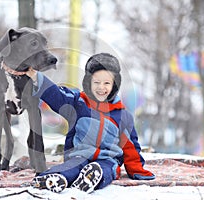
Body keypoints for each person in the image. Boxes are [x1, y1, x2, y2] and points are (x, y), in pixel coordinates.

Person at [25, 53, 155, 193]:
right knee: (71, 167)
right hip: (79, 154)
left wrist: (137, 170)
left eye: (107, 83)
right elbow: (57, 96)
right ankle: (53, 178)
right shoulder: (78, 103)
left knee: (106, 168)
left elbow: (131, 147)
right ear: (88, 82)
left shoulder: (122, 115)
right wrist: (36, 77)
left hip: (108, 158)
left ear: (114, 85)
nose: (101, 87)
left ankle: (93, 177)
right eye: (96, 82)